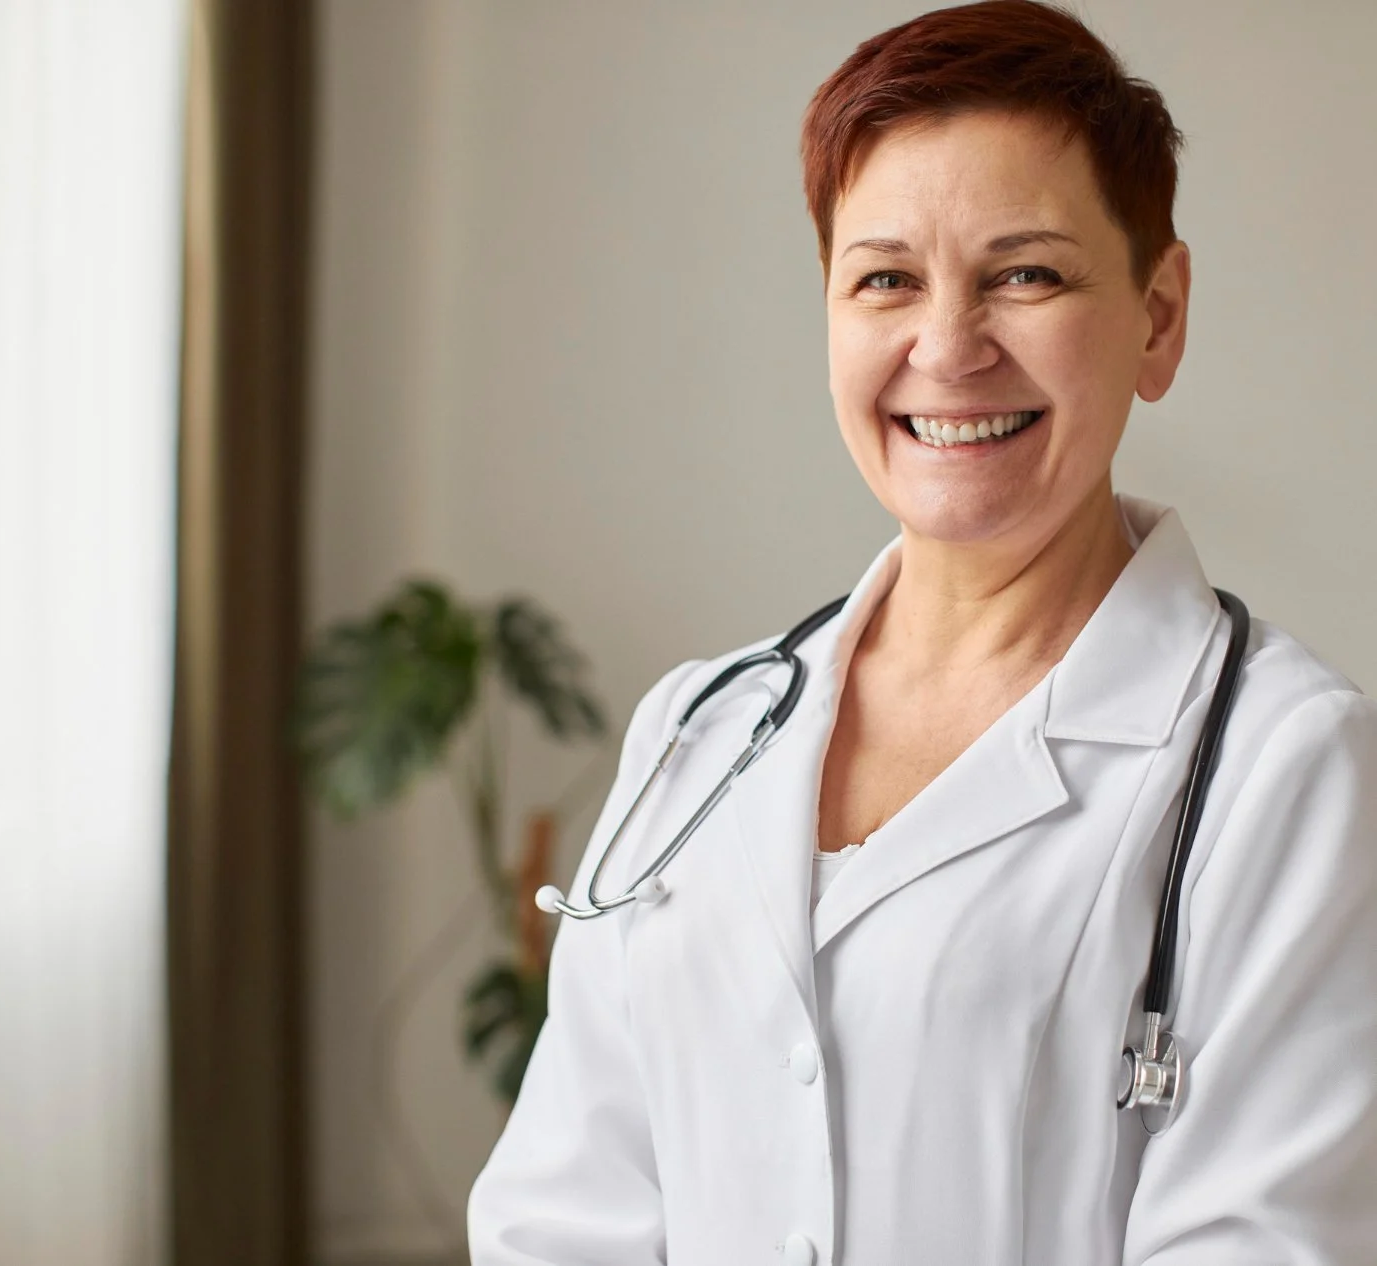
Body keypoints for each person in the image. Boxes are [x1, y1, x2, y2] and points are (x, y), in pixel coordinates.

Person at [467, 2, 1377, 1261]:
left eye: (1027, 273)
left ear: (1157, 316)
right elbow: (559, 1218)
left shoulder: (1285, 764)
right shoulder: (700, 724)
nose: (947, 350)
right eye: (885, 277)